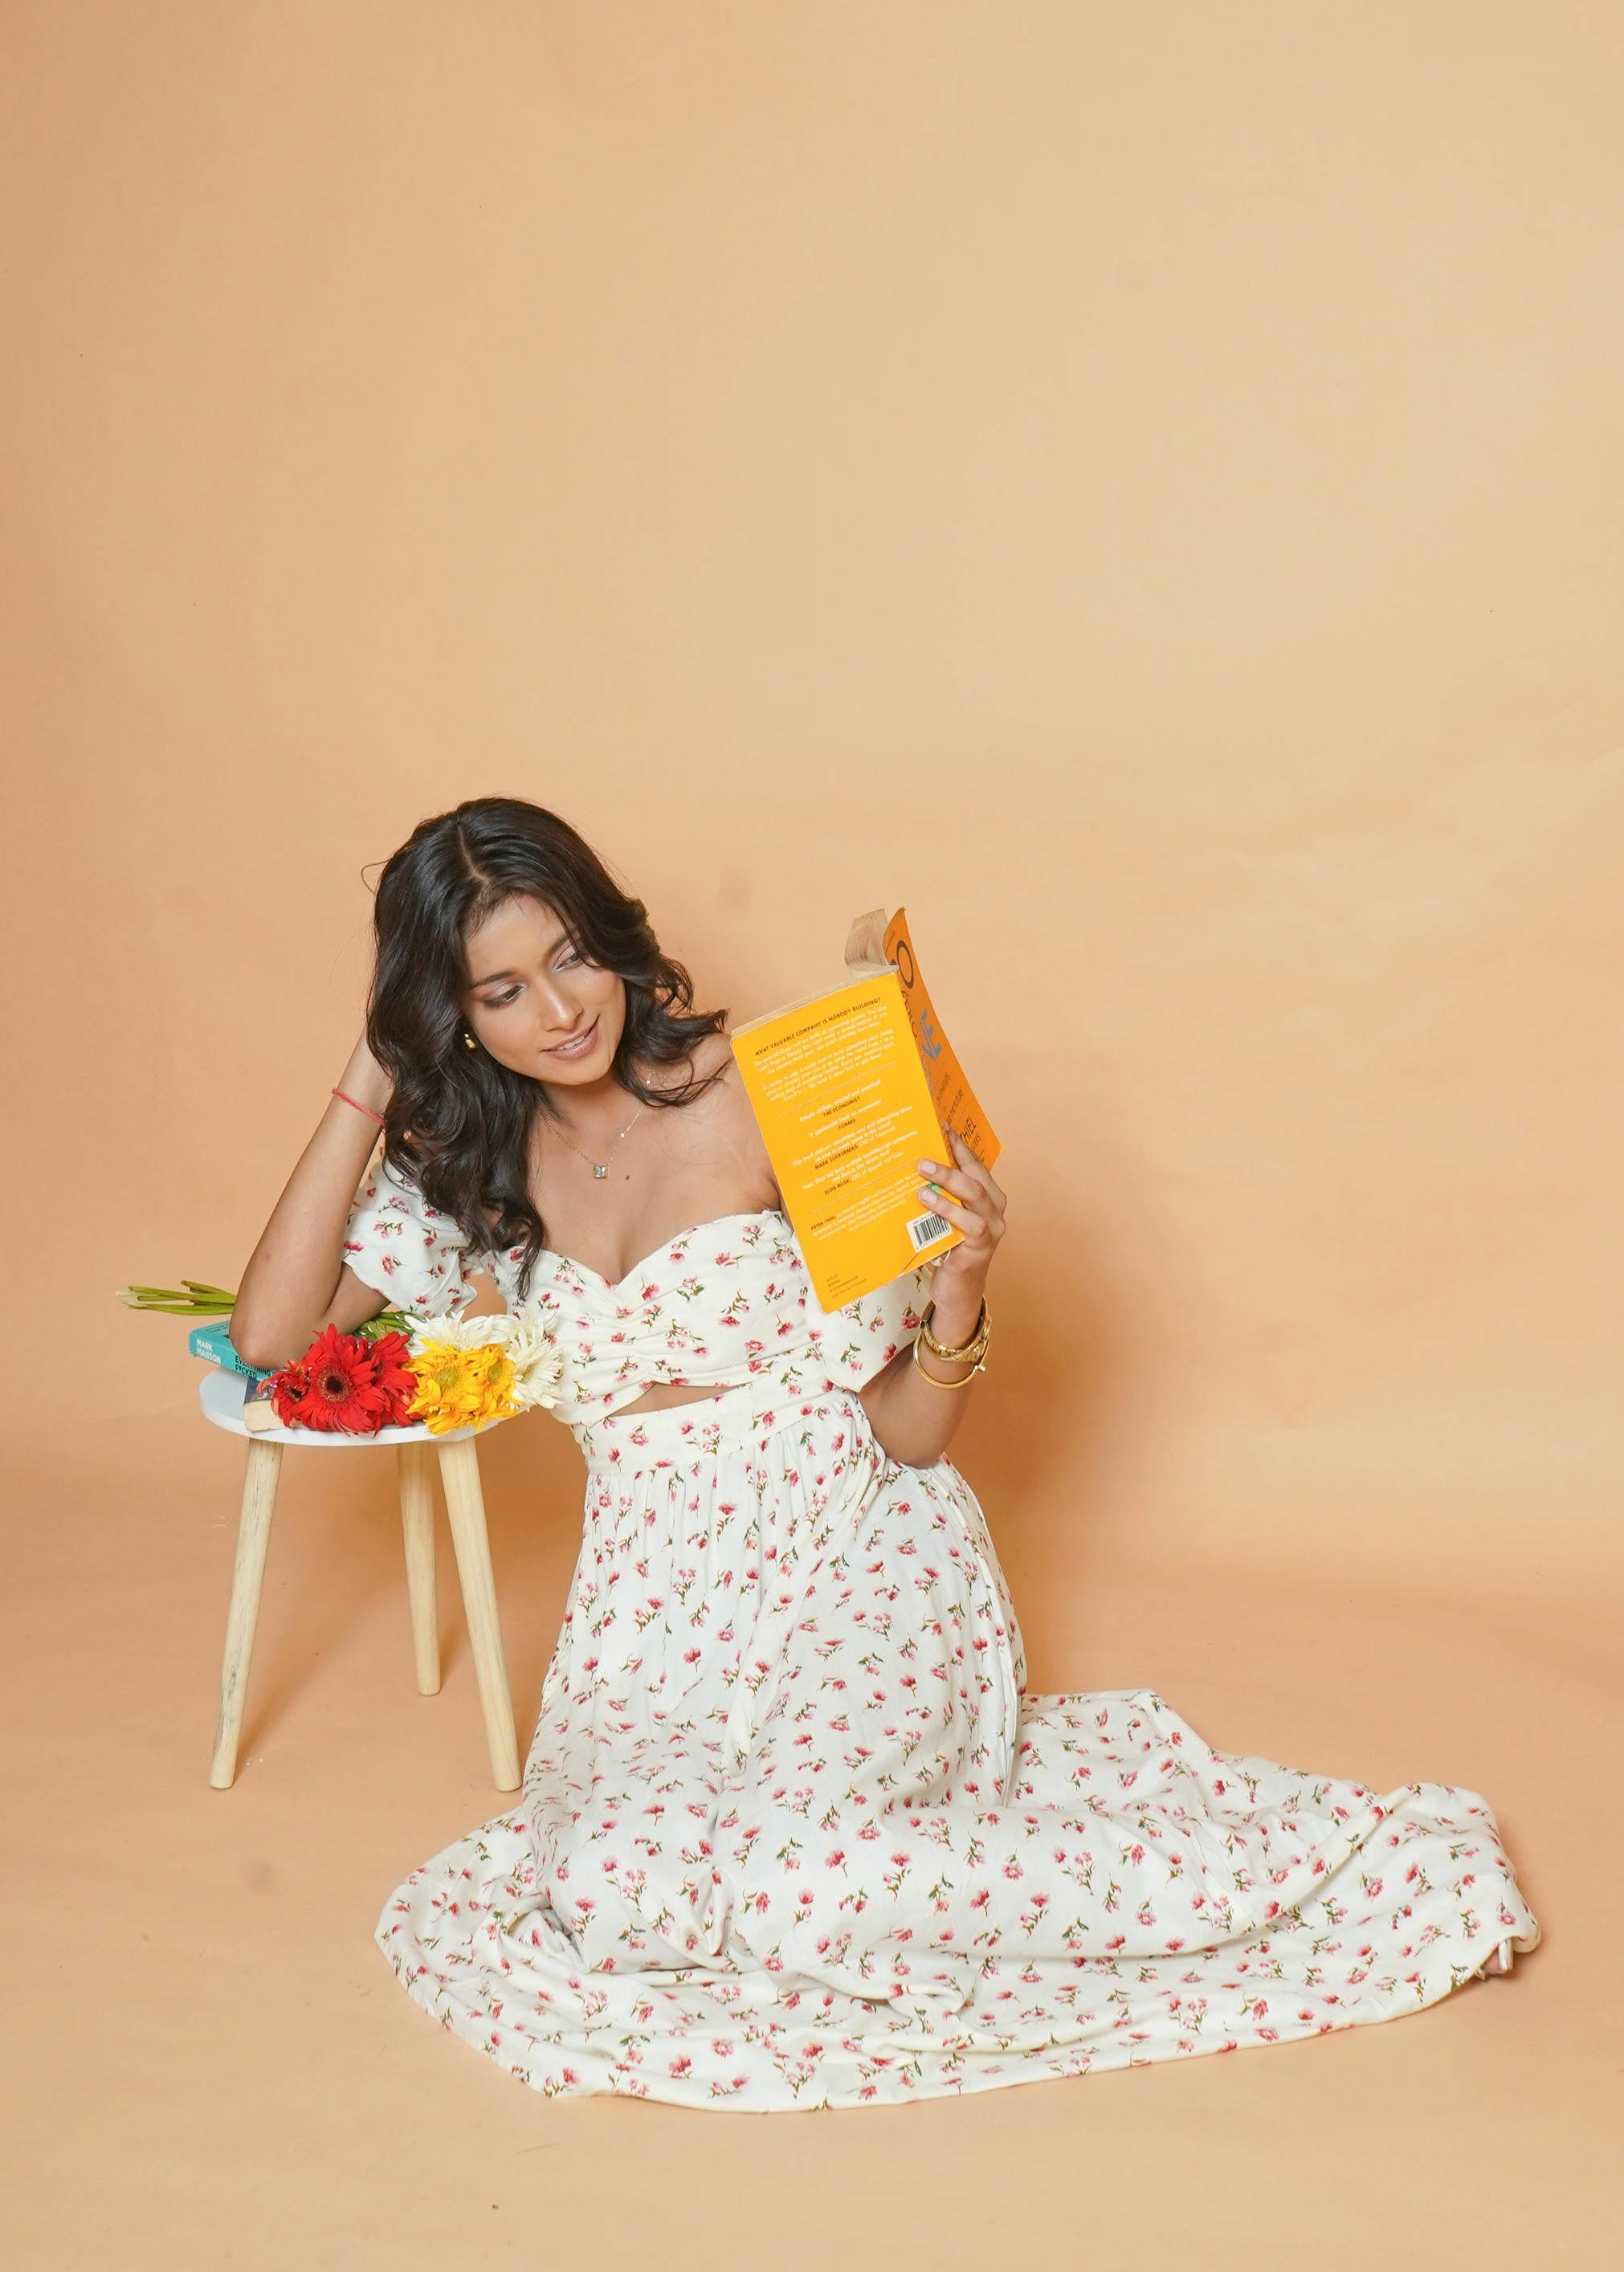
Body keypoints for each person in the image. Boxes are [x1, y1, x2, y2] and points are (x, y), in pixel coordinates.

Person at [231, 796, 1538, 2111]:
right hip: (650, 1612)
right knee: (612, 1891)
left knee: (804, 1878)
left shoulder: (769, 1094)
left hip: (857, 1542)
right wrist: (370, 1076)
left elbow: (908, 1434)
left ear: (610, 933)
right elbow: (272, 1340)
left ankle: (1326, 1872)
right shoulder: (477, 1163)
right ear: (452, 1015)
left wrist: (961, 1283)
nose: (561, 1010)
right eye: (501, 989)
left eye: (570, 954)